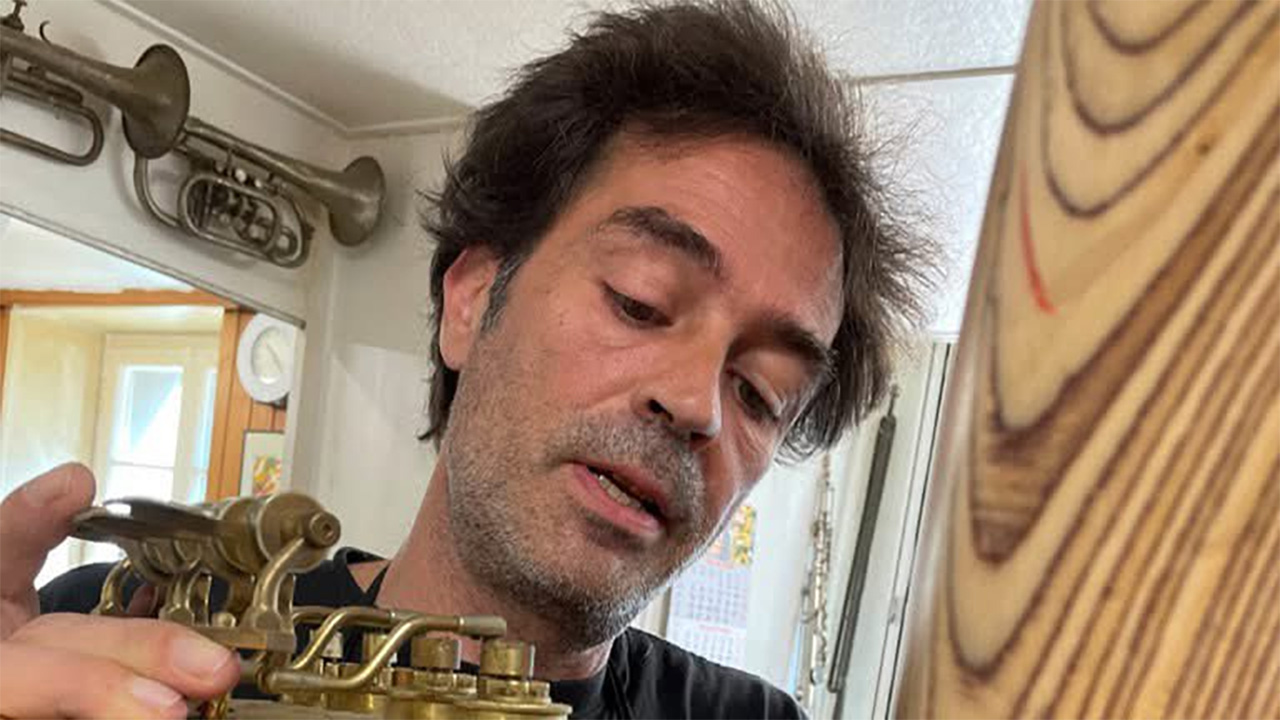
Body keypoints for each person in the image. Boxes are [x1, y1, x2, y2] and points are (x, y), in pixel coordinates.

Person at [0, 1, 937, 718]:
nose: (699, 404)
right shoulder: (120, 623)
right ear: (471, 298)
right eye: (641, 301)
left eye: (762, 393)